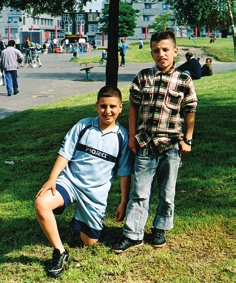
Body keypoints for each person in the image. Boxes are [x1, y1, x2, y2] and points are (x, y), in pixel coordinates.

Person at [112, 31, 198, 253]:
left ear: (175, 51)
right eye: (157, 50)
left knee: (167, 192)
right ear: (152, 53)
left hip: (171, 146)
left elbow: (190, 110)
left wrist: (187, 138)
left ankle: (160, 227)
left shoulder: (183, 80)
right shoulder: (143, 77)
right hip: (145, 145)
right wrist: (131, 136)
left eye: (166, 49)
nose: (161, 54)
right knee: (139, 191)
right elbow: (133, 107)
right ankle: (133, 234)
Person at [35, 85, 133, 277]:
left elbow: (124, 172)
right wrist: (52, 178)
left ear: (121, 107)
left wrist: (123, 201)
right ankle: (60, 252)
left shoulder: (122, 137)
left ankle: (82, 216)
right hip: (70, 182)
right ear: (97, 106)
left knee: (89, 242)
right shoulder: (83, 126)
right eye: (103, 106)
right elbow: (65, 153)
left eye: (112, 106)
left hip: (95, 194)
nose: (108, 111)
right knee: (41, 203)